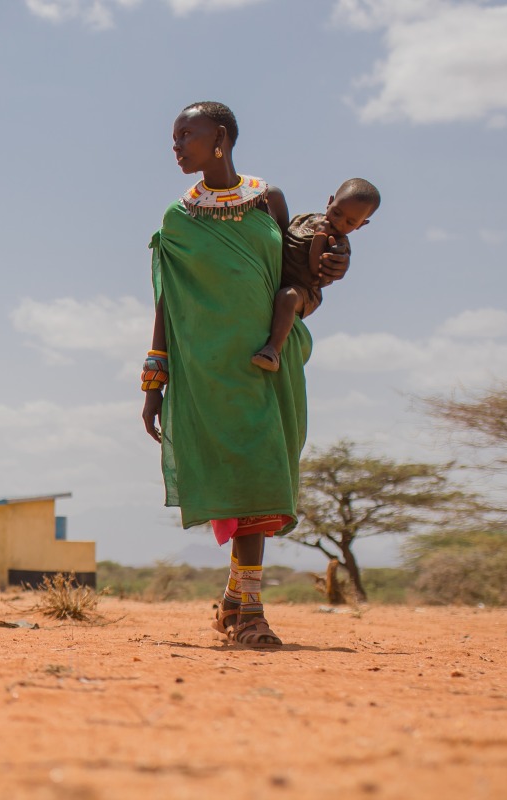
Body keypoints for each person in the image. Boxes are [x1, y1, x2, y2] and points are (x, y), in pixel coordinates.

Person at [140, 101, 350, 647]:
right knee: (242, 480)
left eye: (187, 134)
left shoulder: (269, 201)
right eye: (173, 136)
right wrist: (155, 378)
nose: (176, 145)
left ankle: (237, 601)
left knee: (262, 476)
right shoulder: (177, 219)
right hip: (207, 370)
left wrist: (330, 268)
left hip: (267, 360)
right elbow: (166, 303)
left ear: (221, 137)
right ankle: (248, 611)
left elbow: (296, 280)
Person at [252, 179, 381, 371]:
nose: (339, 222)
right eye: (337, 212)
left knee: (287, 297)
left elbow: (315, 269)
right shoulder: (304, 219)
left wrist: (320, 237)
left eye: (350, 222)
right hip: (277, 274)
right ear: (330, 202)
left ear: (361, 225)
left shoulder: (338, 243)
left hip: (304, 290)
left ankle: (272, 350)